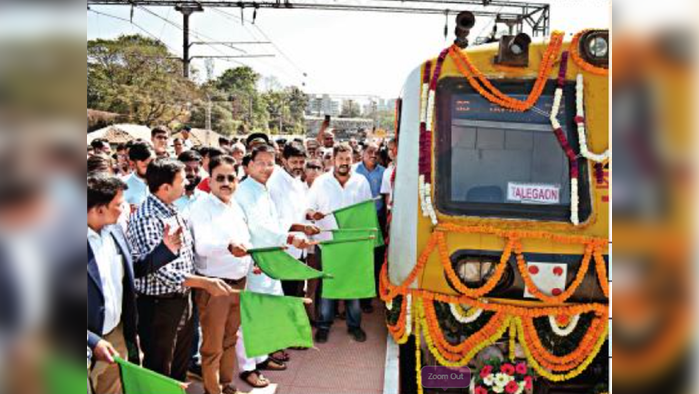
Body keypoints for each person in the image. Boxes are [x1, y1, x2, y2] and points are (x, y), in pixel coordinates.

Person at [128, 158, 234, 381]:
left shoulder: (170, 208)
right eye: (181, 179)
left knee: (179, 363)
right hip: (160, 305)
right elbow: (160, 272)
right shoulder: (148, 217)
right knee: (160, 368)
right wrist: (204, 282)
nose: (187, 181)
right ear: (165, 187)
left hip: (182, 298)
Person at [234, 144, 313, 381]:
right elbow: (258, 228)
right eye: (261, 163)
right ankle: (248, 367)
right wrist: (288, 237)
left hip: (270, 257)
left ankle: (263, 356)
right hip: (255, 259)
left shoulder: (263, 188)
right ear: (248, 165)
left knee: (268, 309)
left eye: (270, 163)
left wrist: (291, 231)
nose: (266, 168)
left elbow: (275, 222)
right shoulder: (244, 191)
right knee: (252, 314)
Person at [188, 155, 252, 394]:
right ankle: (212, 389)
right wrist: (229, 245)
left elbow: (246, 240)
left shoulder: (235, 205)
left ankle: (225, 384)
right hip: (215, 286)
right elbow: (202, 246)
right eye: (220, 178)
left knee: (230, 338)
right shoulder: (201, 207)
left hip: (239, 282)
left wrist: (250, 256)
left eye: (231, 178)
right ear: (210, 180)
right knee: (213, 344)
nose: (226, 183)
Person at [308, 143, 373, 343]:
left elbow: (366, 211)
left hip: (353, 244)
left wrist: (369, 237)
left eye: (348, 159)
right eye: (341, 159)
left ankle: (354, 325)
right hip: (328, 242)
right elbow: (309, 208)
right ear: (333, 160)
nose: (344, 163)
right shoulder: (321, 182)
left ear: (352, 159)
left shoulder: (361, 181)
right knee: (328, 284)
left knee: (353, 284)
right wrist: (314, 215)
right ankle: (324, 325)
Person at [88, 175, 140, 394]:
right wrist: (91, 340)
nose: (124, 208)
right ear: (99, 210)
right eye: (118, 204)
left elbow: (130, 273)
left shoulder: (116, 231)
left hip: (115, 335)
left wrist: (165, 250)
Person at [267, 142, 320, 298]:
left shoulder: (297, 181)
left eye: (301, 162)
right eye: (294, 162)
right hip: (284, 250)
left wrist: (311, 215)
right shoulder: (275, 184)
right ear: (284, 161)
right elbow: (276, 221)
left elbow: (300, 212)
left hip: (300, 249)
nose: (298, 166)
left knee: (296, 294)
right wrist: (303, 228)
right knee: (286, 296)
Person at [353, 142, 386, 314]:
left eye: (376, 152)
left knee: (374, 261)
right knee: (358, 260)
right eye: (370, 151)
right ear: (362, 153)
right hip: (357, 223)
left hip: (377, 222)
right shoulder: (353, 171)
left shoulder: (384, 172)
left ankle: (367, 298)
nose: (373, 155)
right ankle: (355, 296)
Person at [173, 150, 205, 220]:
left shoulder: (206, 199)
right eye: (187, 169)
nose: (192, 174)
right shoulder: (169, 200)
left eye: (196, 170)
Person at [122, 140, 154, 209]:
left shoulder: (164, 179)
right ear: (133, 163)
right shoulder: (122, 185)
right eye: (145, 166)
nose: (151, 168)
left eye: (152, 163)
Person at [381, 138, 398, 211]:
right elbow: (387, 194)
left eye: (392, 149)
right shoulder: (387, 171)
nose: (390, 152)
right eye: (388, 149)